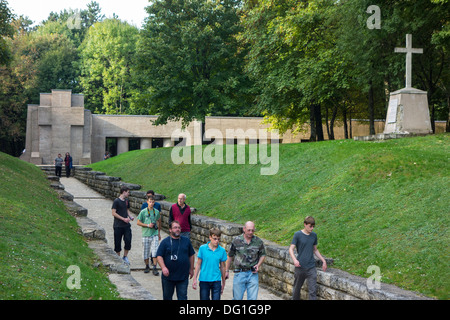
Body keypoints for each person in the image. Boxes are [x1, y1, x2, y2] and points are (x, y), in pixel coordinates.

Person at [288, 216, 327, 300]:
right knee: (296, 290)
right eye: (310, 226)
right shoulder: (297, 234)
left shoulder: (314, 235)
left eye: (313, 226)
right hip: (300, 267)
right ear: (305, 224)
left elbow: (315, 250)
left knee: (312, 291)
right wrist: (295, 260)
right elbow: (291, 249)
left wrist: (323, 260)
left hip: (311, 267)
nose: (312, 228)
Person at [226, 221, 266, 300]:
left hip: (253, 274)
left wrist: (258, 265)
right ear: (244, 229)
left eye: (252, 230)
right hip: (239, 273)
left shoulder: (258, 242)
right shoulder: (236, 240)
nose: (251, 232)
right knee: (237, 298)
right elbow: (230, 256)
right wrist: (226, 271)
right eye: (249, 230)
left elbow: (263, 255)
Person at [156, 220, 195, 300]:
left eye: (179, 228)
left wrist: (191, 269)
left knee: (183, 297)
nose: (177, 229)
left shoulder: (186, 241)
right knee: (167, 297)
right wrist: (163, 267)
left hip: (183, 276)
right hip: (168, 277)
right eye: (175, 228)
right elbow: (159, 256)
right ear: (170, 230)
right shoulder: (165, 242)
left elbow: (191, 255)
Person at [192, 228, 227, 300]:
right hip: (204, 279)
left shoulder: (222, 250)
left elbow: (223, 267)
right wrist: (195, 278)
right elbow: (198, 264)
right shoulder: (202, 248)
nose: (217, 241)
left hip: (216, 280)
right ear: (210, 237)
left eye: (218, 239)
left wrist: (223, 282)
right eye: (215, 239)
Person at [136, 195, 161, 275]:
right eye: (150, 202)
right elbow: (138, 222)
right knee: (145, 251)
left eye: (153, 202)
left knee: (155, 251)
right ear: (147, 202)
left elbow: (158, 221)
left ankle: (154, 267)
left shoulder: (156, 212)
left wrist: (159, 233)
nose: (151, 203)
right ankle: (147, 265)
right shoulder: (143, 212)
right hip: (146, 234)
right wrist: (147, 225)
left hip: (154, 234)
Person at [111, 186, 134, 265]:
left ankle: (125, 256)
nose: (128, 193)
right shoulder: (116, 201)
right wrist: (123, 219)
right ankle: (118, 259)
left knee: (128, 240)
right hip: (118, 225)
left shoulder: (127, 201)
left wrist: (130, 216)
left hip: (126, 225)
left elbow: (126, 210)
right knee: (117, 242)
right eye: (128, 192)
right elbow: (113, 213)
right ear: (124, 192)